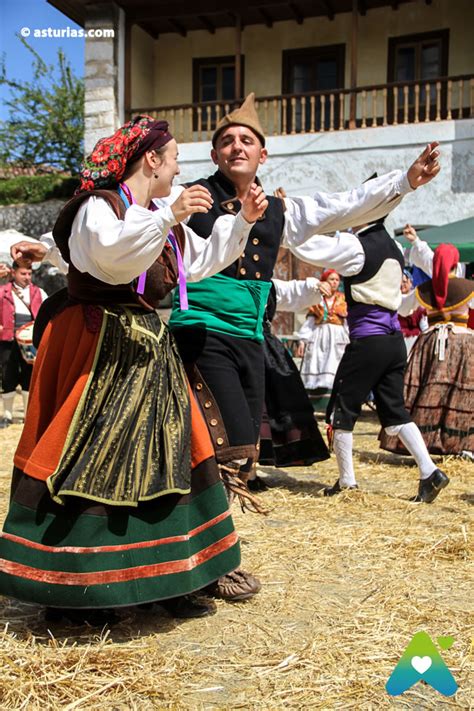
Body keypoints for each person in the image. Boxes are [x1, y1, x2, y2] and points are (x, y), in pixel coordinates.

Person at [0, 115, 269, 623]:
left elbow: (201, 260)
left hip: (147, 350)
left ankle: (175, 574)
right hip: (95, 344)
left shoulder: (157, 217)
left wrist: (246, 222)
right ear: (152, 160)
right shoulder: (97, 208)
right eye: (173, 162)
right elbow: (111, 256)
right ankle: (83, 585)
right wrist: (169, 217)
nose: (177, 172)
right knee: (90, 456)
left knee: (177, 449)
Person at [157, 94, 440, 520]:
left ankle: (216, 541)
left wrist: (404, 182)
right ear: (215, 153)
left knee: (247, 448)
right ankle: (201, 541)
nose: (237, 146)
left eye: (247, 140)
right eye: (228, 141)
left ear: (263, 154)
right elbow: (133, 215)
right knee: (226, 442)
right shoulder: (187, 197)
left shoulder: (281, 212)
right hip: (200, 329)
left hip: (250, 337)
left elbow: (342, 205)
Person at [288, 210, 449, 504]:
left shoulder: (356, 245)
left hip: (369, 341)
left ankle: (347, 483)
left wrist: (285, 224)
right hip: (394, 341)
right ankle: (430, 472)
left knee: (342, 410)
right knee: (394, 410)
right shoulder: (396, 248)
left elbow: (310, 249)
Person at [381, 237, 473, 456]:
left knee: (429, 391)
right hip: (464, 343)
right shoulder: (468, 287)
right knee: (462, 393)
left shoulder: (423, 290)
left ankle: (422, 443)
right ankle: (463, 444)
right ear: (455, 264)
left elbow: (402, 309)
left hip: (430, 343)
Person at [256, 276, 331, 478]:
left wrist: (315, 287)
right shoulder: (221, 274)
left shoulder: (270, 284)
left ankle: (251, 472)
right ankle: (247, 473)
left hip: (265, 353)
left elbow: (293, 292)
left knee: (270, 406)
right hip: (234, 346)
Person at [0, 262, 47, 427]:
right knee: (7, 375)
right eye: (23, 274)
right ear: (13, 273)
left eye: (29, 274)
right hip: (7, 339)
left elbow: (47, 314)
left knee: (30, 375)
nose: (27, 277)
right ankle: (7, 415)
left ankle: (28, 416)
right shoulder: (2, 291)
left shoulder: (39, 292)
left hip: (30, 339)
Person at [296, 269, 349, 405]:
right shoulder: (317, 299)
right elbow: (310, 323)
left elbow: (347, 323)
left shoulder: (343, 299)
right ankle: (315, 404)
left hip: (337, 338)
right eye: (331, 279)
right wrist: (302, 341)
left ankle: (332, 404)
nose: (334, 282)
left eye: (337, 280)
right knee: (316, 363)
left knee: (335, 366)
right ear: (324, 281)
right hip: (319, 337)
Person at [399, 268, 428, 355]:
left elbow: (424, 327)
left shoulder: (417, 302)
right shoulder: (392, 302)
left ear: (410, 282)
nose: (401, 284)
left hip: (414, 343)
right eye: (399, 282)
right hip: (397, 342)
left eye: (404, 281)